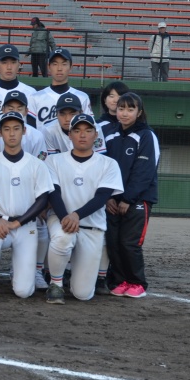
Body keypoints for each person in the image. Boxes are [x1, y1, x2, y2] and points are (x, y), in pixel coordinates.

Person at [43, 114, 124, 304]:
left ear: (96, 135)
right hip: (60, 219)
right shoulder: (54, 160)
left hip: (92, 227)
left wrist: (76, 215)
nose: (82, 135)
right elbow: (54, 194)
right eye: (77, 130)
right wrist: (66, 218)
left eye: (88, 131)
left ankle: (74, 280)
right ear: (69, 135)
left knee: (83, 294)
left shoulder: (109, 164)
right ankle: (55, 284)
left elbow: (102, 197)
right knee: (64, 238)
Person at [0, 110, 54, 300]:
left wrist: (17, 223)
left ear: (24, 131)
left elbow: (42, 199)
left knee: (24, 292)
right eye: (7, 129)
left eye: (16, 129)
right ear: (0, 133)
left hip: (26, 226)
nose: (12, 133)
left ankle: (18, 272)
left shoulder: (37, 165)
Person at [104, 92, 159, 298]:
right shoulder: (110, 135)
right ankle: (119, 280)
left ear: (139, 112)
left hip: (138, 200)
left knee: (129, 243)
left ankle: (137, 283)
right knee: (114, 242)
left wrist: (128, 198)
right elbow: (104, 169)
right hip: (112, 201)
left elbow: (144, 171)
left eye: (130, 109)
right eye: (121, 108)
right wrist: (108, 197)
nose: (124, 113)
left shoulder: (147, 136)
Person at [29, 48, 93, 128]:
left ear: (70, 67)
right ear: (49, 67)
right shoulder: (35, 98)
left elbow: (90, 128)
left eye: (64, 64)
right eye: (55, 64)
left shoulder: (82, 97)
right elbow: (30, 131)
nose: (59, 68)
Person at [0, 44, 36, 128]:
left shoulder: (31, 93)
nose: (9, 67)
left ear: (19, 65)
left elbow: (32, 128)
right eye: (4, 62)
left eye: (13, 62)